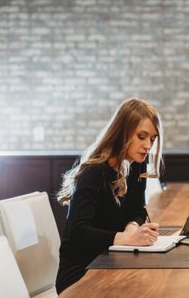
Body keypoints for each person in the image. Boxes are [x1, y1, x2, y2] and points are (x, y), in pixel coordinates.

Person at [55, 98, 164, 293]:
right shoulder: (92, 173)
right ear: (122, 133)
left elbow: (138, 210)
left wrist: (132, 228)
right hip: (81, 274)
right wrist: (126, 239)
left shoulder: (137, 166)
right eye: (141, 136)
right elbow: (78, 232)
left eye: (152, 139)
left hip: (113, 261)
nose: (148, 145)